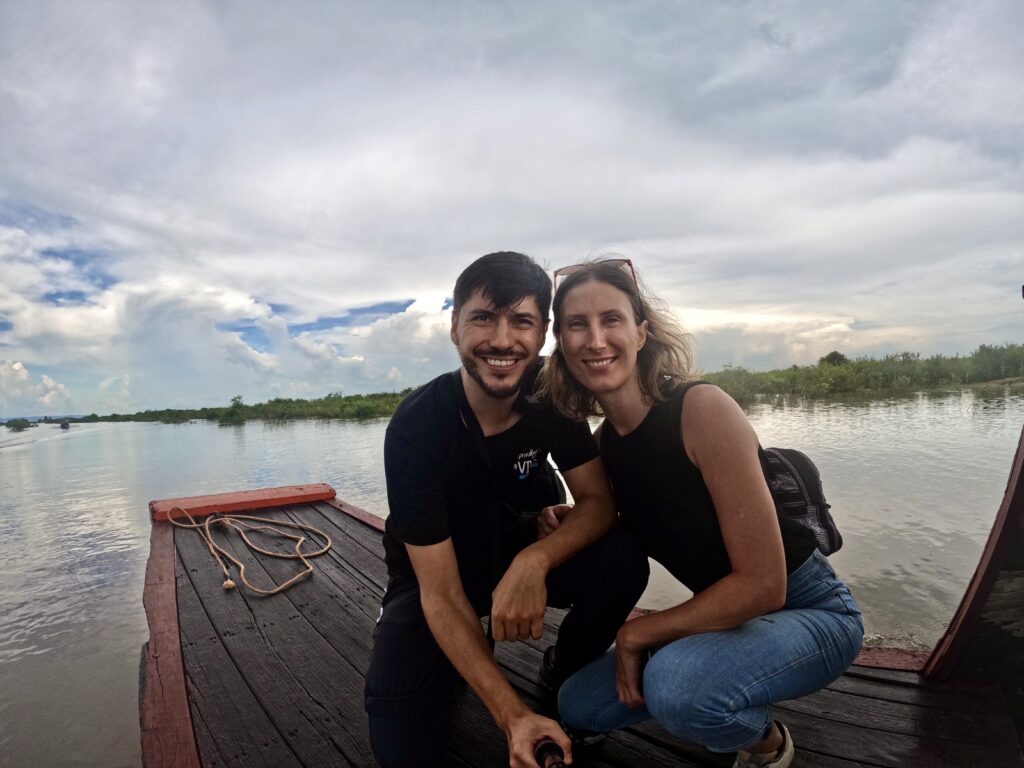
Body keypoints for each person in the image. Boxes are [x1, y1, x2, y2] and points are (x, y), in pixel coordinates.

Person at [539, 259, 864, 768]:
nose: (596, 340)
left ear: (641, 331)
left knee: (677, 689)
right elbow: (636, 519)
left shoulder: (701, 410)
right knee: (576, 705)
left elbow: (764, 585)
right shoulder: (605, 447)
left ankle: (767, 744)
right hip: (723, 619)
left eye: (611, 319)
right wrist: (567, 521)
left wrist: (636, 633)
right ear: (561, 343)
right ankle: (714, 687)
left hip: (810, 609)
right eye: (577, 325)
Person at [364, 252, 649, 768]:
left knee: (623, 559)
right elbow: (440, 592)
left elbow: (598, 503)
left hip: (516, 549)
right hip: (433, 578)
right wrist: (514, 717)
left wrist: (535, 561)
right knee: (402, 752)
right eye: (482, 318)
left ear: (543, 334)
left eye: (521, 321)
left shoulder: (548, 394)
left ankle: (563, 672)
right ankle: (467, 656)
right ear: (455, 326)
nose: (502, 340)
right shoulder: (417, 427)